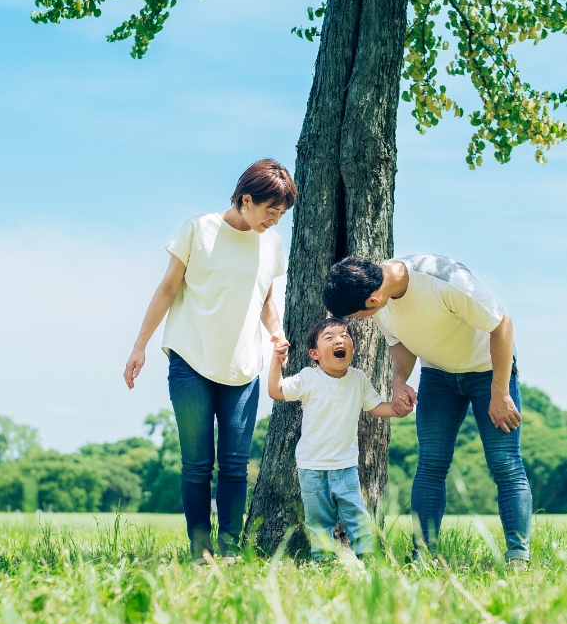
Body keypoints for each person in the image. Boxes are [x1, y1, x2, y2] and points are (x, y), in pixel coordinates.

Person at [124, 158, 296, 562]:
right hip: (191, 359)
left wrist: (277, 333)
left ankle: (230, 548)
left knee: (235, 465)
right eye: (270, 211)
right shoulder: (199, 230)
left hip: (243, 366)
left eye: (281, 214)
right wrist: (139, 345)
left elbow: (266, 300)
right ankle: (200, 549)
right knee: (197, 463)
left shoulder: (270, 243)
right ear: (246, 199)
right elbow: (167, 289)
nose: (274, 220)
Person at [321, 254, 531, 566]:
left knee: (504, 463)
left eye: (360, 315)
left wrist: (499, 393)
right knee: (431, 464)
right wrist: (399, 381)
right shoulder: (377, 292)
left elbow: (502, 325)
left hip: (489, 371)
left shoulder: (447, 280)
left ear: (373, 300)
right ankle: (424, 555)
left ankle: (518, 556)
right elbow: (399, 342)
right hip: (438, 375)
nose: (363, 320)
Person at [267, 316, 414, 561]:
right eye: (330, 337)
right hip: (311, 468)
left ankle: (368, 560)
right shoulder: (308, 377)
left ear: (353, 349)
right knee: (318, 521)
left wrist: (396, 409)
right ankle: (323, 561)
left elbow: (376, 406)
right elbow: (276, 391)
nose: (340, 340)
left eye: (345, 336)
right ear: (314, 353)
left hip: (345, 467)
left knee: (357, 517)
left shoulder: (358, 379)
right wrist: (276, 360)